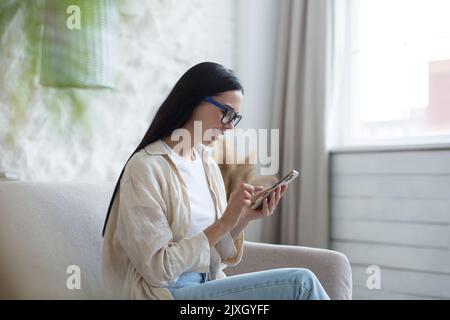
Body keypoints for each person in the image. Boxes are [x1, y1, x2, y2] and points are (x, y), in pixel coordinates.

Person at [101, 62, 330, 300]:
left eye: (235, 117)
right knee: (301, 284)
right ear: (194, 101)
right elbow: (159, 269)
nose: (230, 125)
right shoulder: (145, 168)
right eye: (226, 112)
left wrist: (242, 219)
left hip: (207, 285)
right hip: (165, 294)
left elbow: (213, 257)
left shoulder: (206, 164)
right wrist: (224, 222)